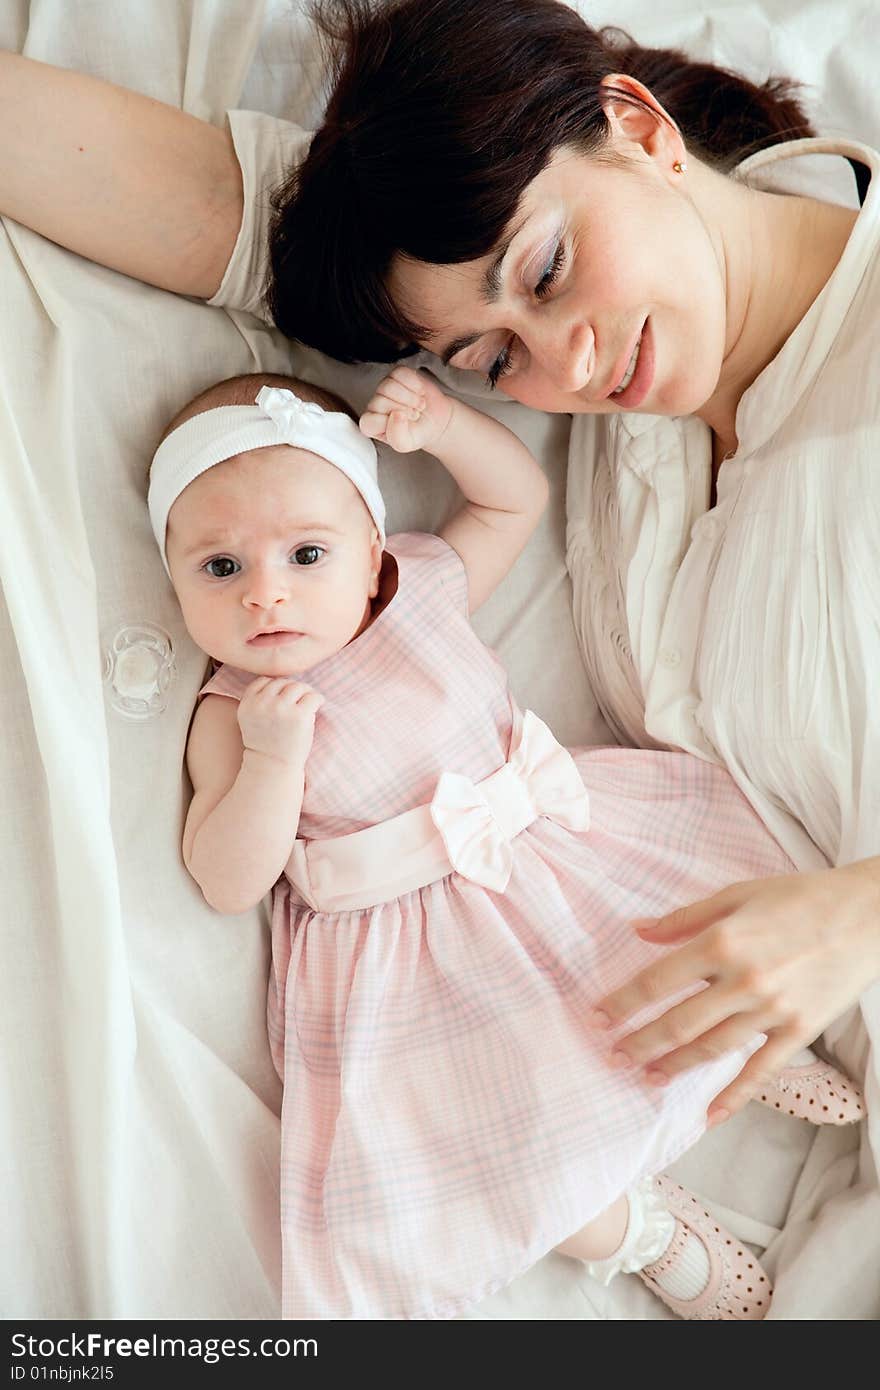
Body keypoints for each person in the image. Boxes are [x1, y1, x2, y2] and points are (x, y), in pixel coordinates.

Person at [149, 362, 860, 1319]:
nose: (265, 596)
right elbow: (226, 877)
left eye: (305, 556)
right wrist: (273, 764)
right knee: (502, 1148)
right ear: (174, 577)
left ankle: (747, 1051)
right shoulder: (232, 712)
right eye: (220, 568)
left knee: (670, 947)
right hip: (411, 968)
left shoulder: (418, 593)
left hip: (551, 854)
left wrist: (444, 425)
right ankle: (646, 1233)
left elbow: (512, 497)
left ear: (370, 552)